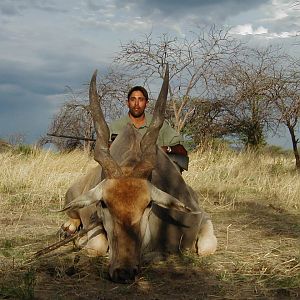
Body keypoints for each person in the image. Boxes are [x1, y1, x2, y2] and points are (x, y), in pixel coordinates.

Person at [109, 86, 189, 172]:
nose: (136, 104)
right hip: (123, 172)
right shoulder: (115, 126)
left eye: (140, 100)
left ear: (146, 103)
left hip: (154, 172)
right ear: (127, 103)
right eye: (133, 99)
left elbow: (182, 149)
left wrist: (164, 149)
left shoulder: (158, 123)